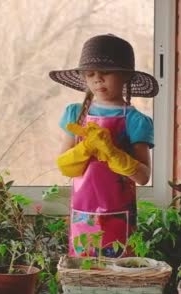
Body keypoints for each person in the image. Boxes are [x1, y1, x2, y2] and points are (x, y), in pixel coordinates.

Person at [49, 34, 159, 256]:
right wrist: (85, 148)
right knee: (84, 269)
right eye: (90, 74)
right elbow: (64, 167)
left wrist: (113, 153)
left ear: (126, 76)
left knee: (117, 270)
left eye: (106, 72)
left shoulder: (136, 120)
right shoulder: (75, 114)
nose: (97, 79)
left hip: (119, 212)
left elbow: (143, 176)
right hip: (83, 210)